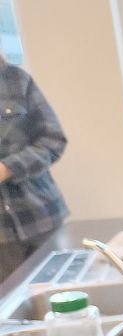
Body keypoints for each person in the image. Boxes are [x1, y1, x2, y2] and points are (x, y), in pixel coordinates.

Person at [0, 58, 69, 284]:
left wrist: (8, 168)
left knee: (62, 297)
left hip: (42, 216)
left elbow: (53, 140)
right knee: (8, 313)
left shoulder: (16, 80)